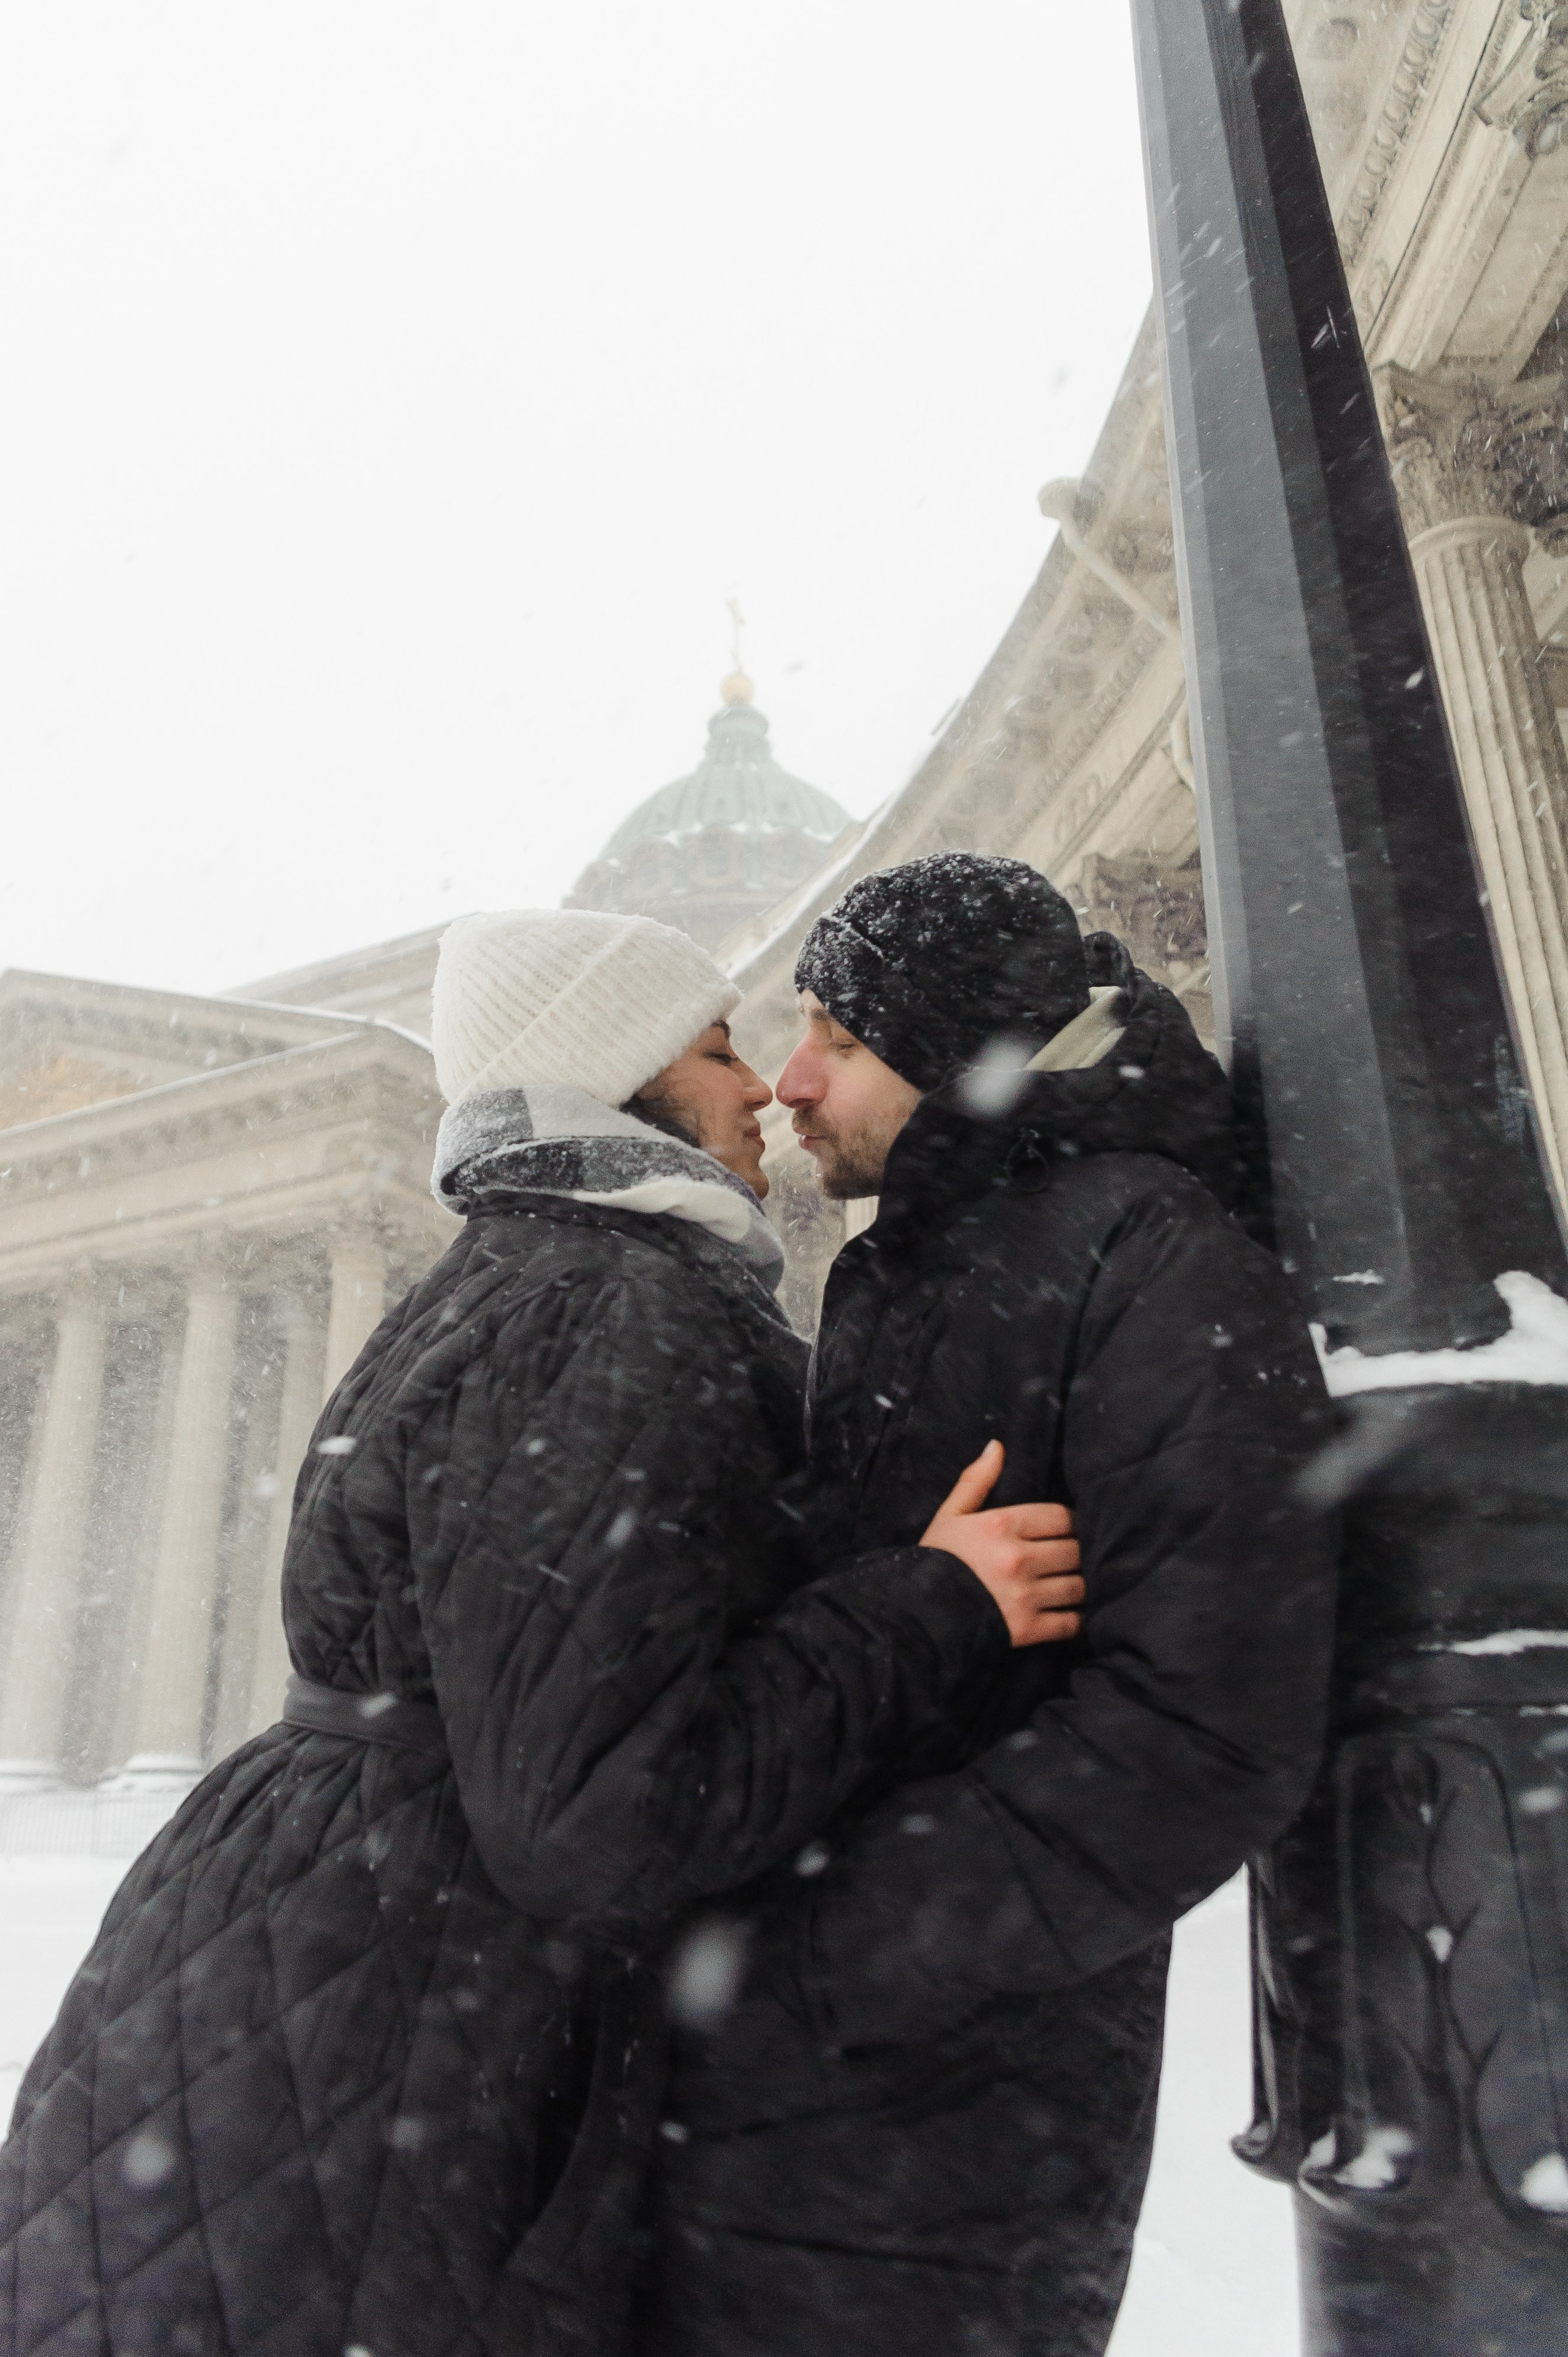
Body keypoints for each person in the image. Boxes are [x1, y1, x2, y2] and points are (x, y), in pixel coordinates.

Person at [0, 907, 1086, 2357]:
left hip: (310, 1988)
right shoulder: (604, 1305)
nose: (764, 1083)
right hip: (396, 2028)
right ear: (613, 1077)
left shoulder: (521, 1278)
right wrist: (926, 1604)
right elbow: (596, 1814)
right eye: (714, 1049)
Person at [645, 853, 1339, 2357]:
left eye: (832, 1033)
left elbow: (1204, 1726)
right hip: (813, 2091)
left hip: (952, 2110)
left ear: (948, 1042)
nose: (789, 1078)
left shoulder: (1144, 1250)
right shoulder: (914, 1261)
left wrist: (826, 1950)